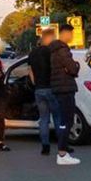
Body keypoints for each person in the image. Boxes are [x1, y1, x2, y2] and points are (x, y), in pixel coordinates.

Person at [48, 24, 82, 166]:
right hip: (65, 87)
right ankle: (62, 153)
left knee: (63, 121)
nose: (72, 37)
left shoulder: (53, 50)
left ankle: (63, 149)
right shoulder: (62, 50)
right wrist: (76, 66)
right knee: (66, 121)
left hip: (58, 87)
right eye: (71, 34)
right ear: (65, 33)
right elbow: (72, 68)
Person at [29, 28, 60, 156]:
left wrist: (35, 83)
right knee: (58, 117)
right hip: (52, 88)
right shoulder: (52, 52)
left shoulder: (33, 53)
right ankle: (62, 144)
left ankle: (45, 146)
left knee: (44, 119)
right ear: (50, 38)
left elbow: (30, 71)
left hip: (39, 90)